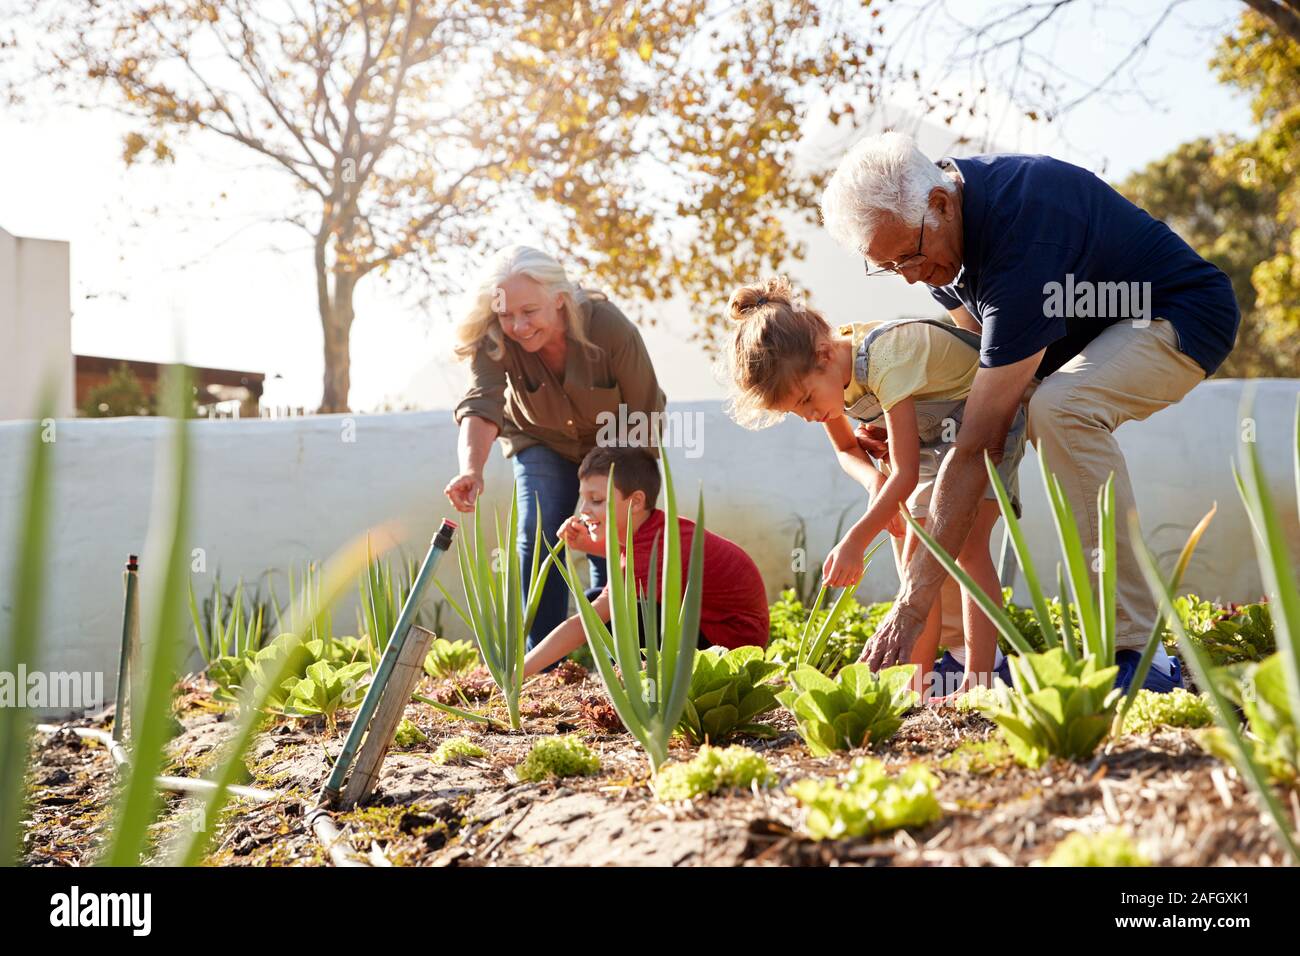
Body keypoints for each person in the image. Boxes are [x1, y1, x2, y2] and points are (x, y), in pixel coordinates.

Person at [819, 131, 1240, 692]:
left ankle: (1138, 650)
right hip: (1083, 336)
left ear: (941, 204)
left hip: (1179, 313)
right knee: (935, 470)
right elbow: (973, 375)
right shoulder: (941, 241)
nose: (912, 276)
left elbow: (980, 443)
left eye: (911, 256)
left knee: (1062, 407)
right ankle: (955, 656)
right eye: (891, 267)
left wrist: (910, 603)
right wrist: (920, 430)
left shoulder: (1024, 238)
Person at [721, 275, 1020, 700]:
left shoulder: (884, 358)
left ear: (824, 354)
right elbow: (847, 448)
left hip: (988, 416)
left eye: (805, 400)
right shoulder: (828, 372)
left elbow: (907, 474)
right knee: (915, 561)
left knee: (969, 547)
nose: (808, 415)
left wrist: (855, 540)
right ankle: (916, 689)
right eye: (795, 411)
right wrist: (876, 483)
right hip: (934, 439)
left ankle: (980, 679)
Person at [445, 246, 666, 651]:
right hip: (540, 439)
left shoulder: (608, 327)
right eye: (507, 314)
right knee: (539, 528)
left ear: (559, 299)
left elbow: (644, 412)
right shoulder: (495, 337)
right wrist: (471, 469)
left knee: (610, 536)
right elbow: (482, 403)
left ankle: (619, 654)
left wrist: (629, 499)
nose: (518, 325)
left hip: (615, 443)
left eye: (529, 311)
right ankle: (542, 659)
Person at [523, 446, 769, 676]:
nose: (583, 509)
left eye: (596, 500)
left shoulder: (652, 550)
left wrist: (518, 672)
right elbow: (632, 558)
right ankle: (634, 677)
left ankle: (636, 682)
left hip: (729, 652)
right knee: (601, 598)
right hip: (718, 630)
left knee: (614, 611)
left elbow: (584, 624)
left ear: (636, 501)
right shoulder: (655, 528)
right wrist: (585, 544)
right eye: (583, 498)